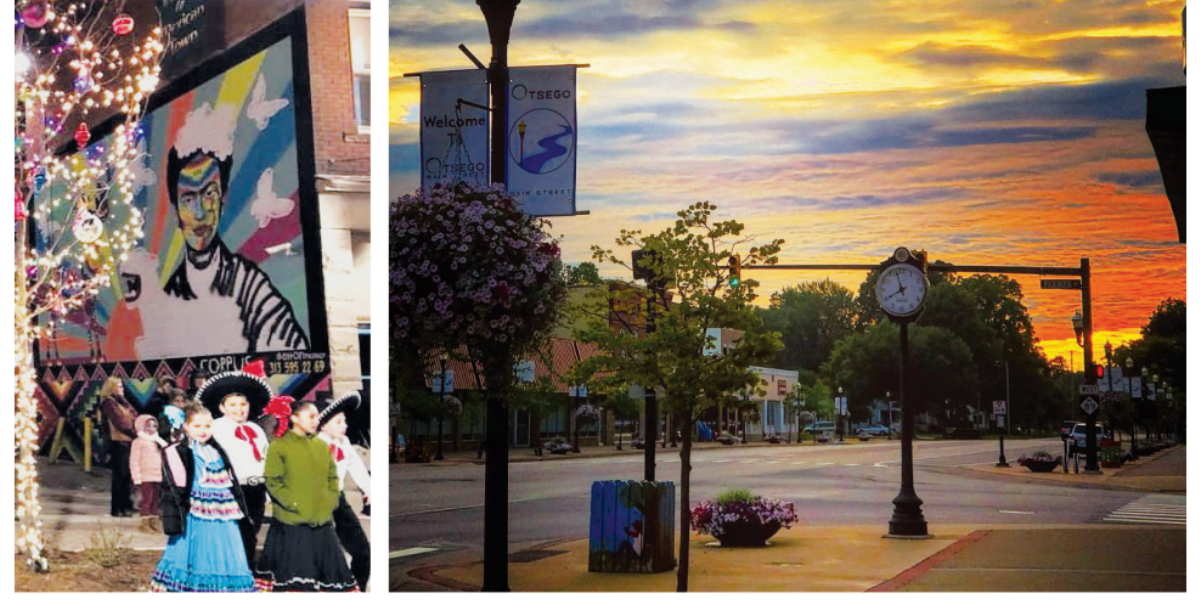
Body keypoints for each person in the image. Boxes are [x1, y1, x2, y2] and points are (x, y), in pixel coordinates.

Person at [162, 104, 308, 354]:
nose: (199, 214)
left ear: (223, 199)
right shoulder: (169, 293)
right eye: (188, 199)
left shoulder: (252, 289)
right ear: (175, 212)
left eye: (209, 194)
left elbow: (292, 351)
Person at [150, 403, 256, 592]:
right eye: (197, 426)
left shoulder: (216, 450)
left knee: (225, 549)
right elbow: (175, 487)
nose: (203, 430)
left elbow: (231, 481)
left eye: (207, 426)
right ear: (186, 427)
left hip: (223, 511)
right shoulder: (182, 451)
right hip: (195, 513)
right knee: (197, 550)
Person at [254, 401, 357, 592]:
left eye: (317, 416)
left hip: (321, 521)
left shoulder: (320, 445)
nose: (316, 420)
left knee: (331, 578)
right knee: (296, 579)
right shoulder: (279, 446)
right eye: (310, 416)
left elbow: (332, 477)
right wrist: (293, 503)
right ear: (294, 418)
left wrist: (329, 501)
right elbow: (273, 482)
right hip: (291, 523)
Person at [203, 361, 274, 568]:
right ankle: (232, 573)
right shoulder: (215, 428)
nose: (239, 409)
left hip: (257, 488)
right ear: (222, 407)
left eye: (243, 404)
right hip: (232, 488)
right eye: (233, 405)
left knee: (252, 533)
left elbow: (264, 457)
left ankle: (248, 573)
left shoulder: (256, 429)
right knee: (235, 533)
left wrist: (267, 489)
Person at [316, 392, 370, 591]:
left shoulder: (344, 443)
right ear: (323, 425)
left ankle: (358, 589)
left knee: (362, 551)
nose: (344, 426)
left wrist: (369, 488)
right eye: (339, 422)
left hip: (338, 500)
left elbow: (356, 466)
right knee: (323, 553)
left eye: (344, 421)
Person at [99, 377, 138, 517]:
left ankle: (126, 504)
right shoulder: (109, 403)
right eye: (119, 386)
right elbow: (119, 423)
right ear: (111, 388)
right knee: (120, 476)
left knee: (126, 475)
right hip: (117, 443)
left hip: (126, 442)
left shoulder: (120, 402)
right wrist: (135, 434)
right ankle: (118, 508)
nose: (122, 388)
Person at [130, 414, 167, 532]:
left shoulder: (157, 441)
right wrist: (137, 477)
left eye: (154, 426)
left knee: (156, 500)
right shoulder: (138, 442)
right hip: (145, 476)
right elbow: (134, 460)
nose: (151, 429)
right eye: (148, 426)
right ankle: (145, 523)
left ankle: (154, 521)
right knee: (147, 500)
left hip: (157, 476)